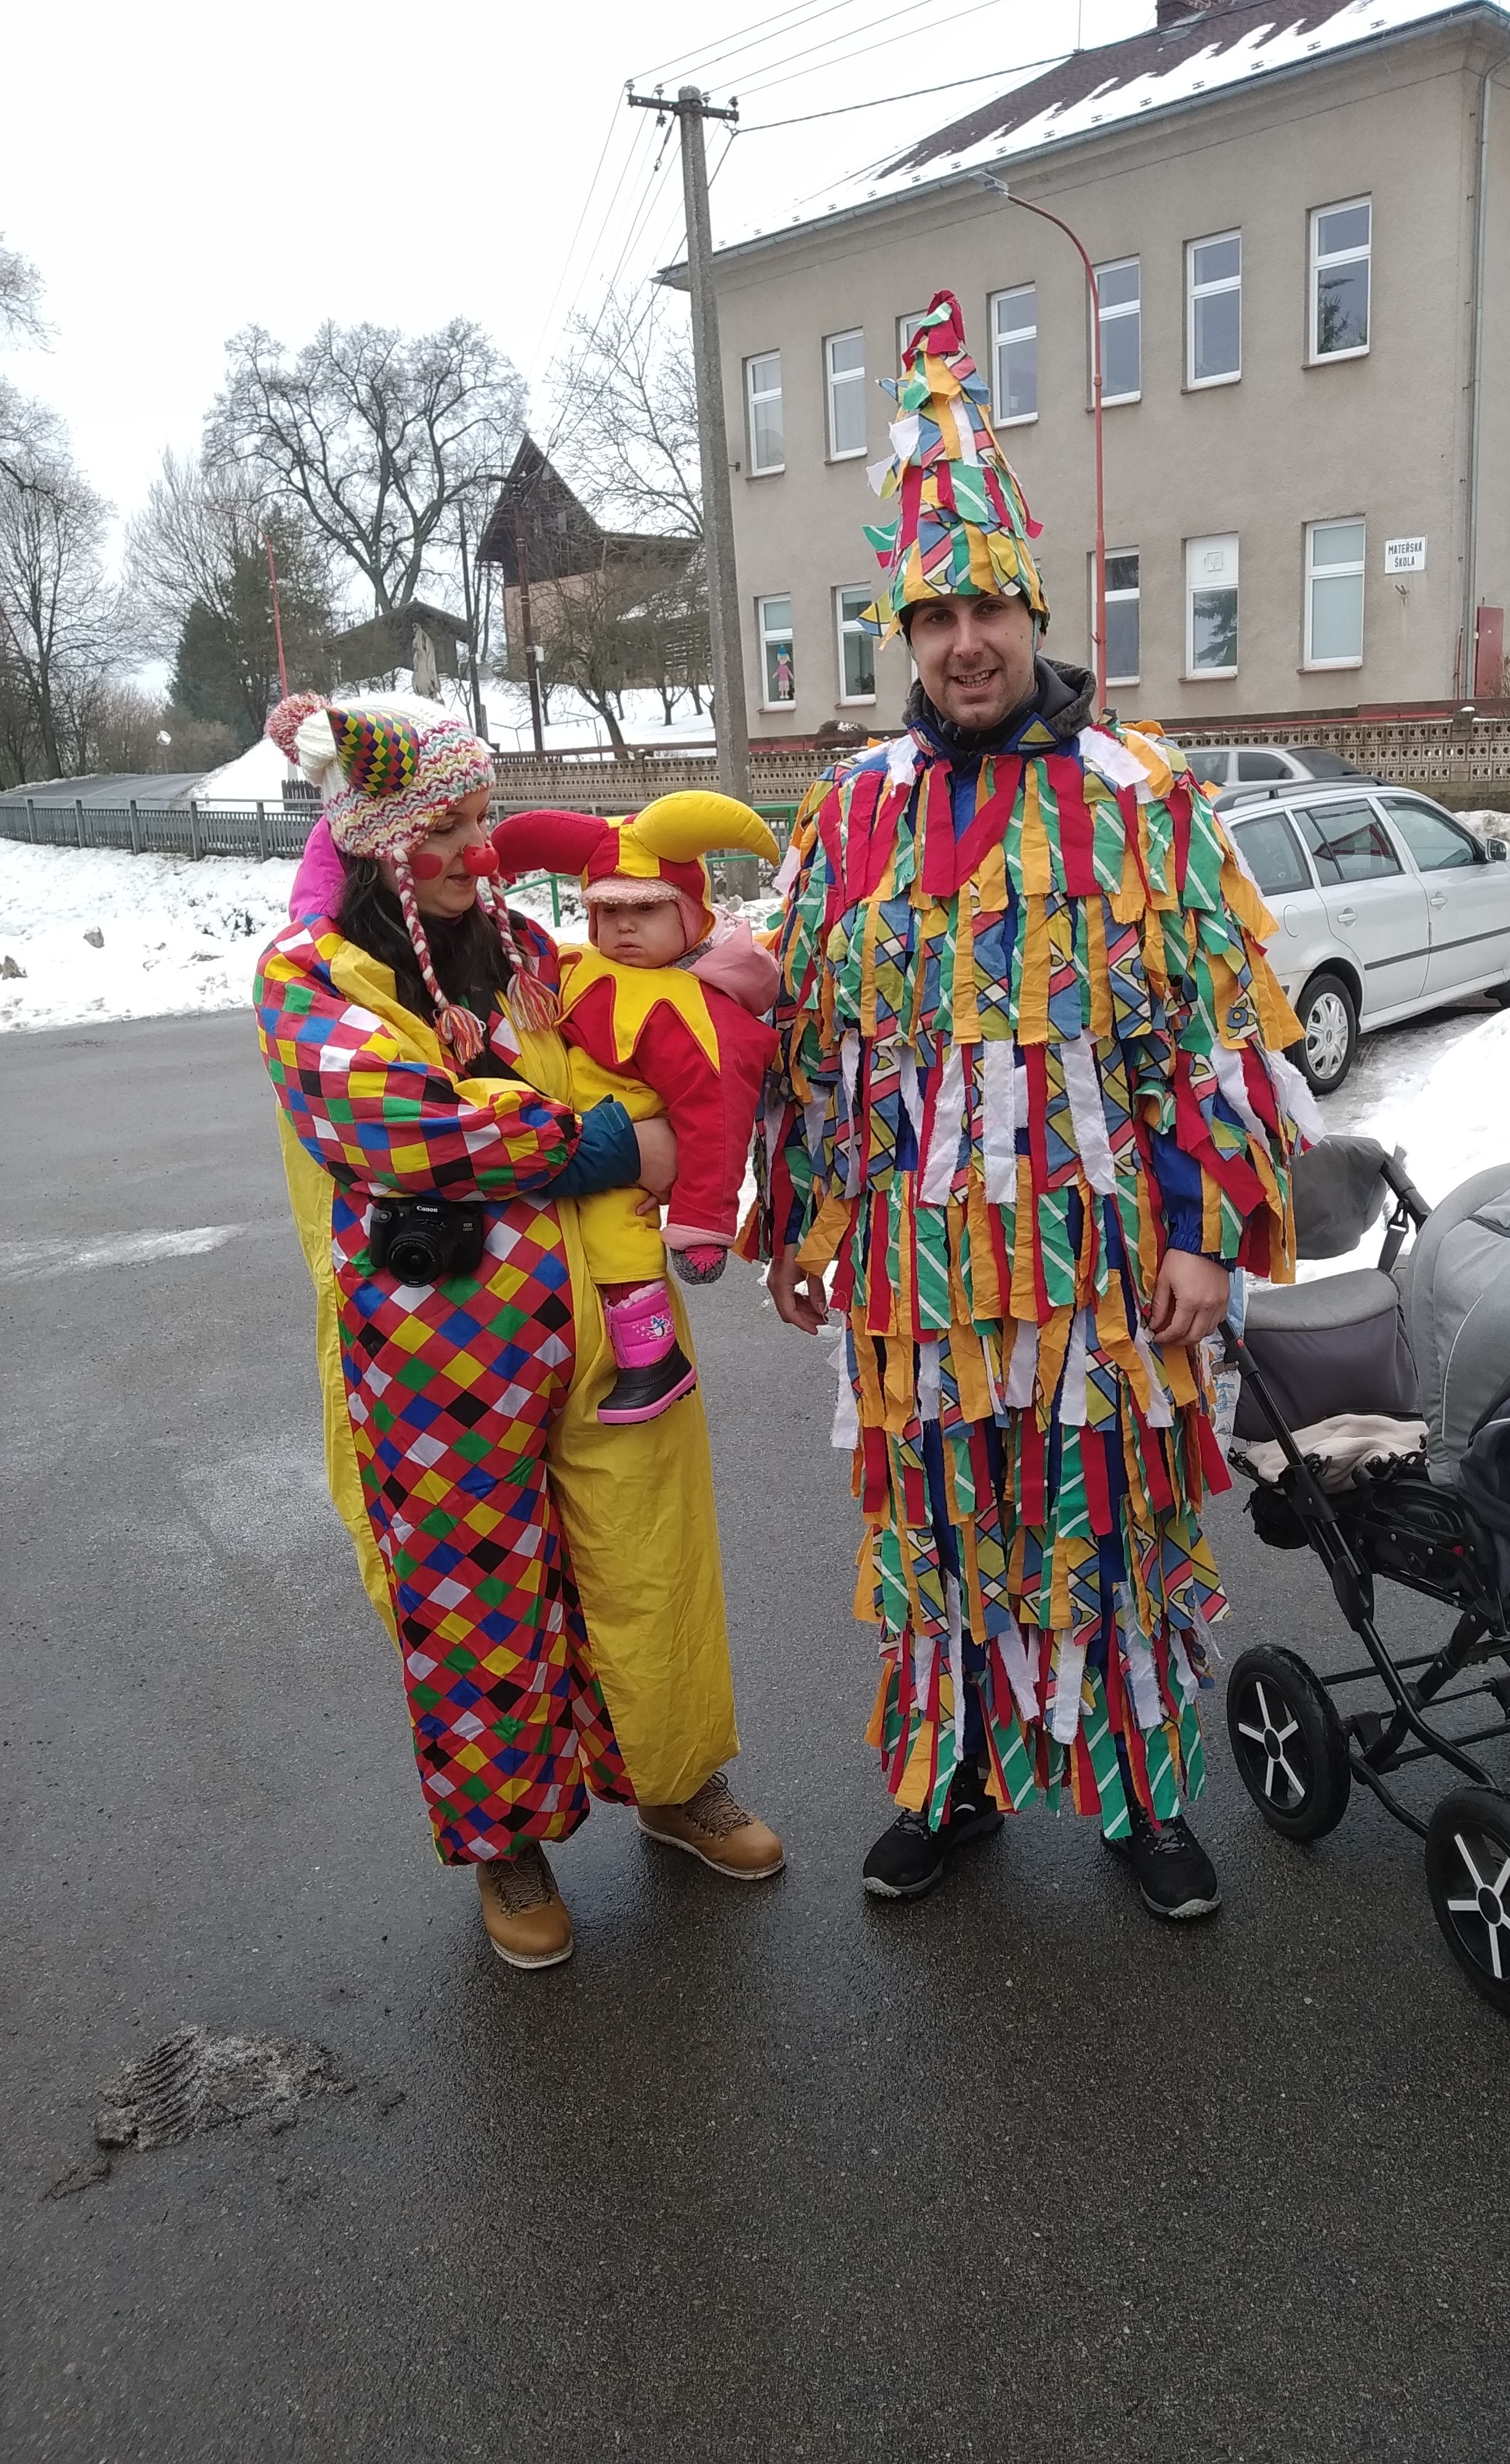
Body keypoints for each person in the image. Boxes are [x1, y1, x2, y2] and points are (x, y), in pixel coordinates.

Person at [752, 292, 1308, 1921]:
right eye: (932, 617)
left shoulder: (1141, 800)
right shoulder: (849, 814)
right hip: (915, 1288)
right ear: (905, 636)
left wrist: (1204, 1232)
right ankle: (955, 1786)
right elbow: (806, 1035)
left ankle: (1141, 1801)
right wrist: (799, 1218)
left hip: (1108, 1280)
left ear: (1032, 609)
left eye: (986, 607)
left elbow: (1215, 1035)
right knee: (941, 1541)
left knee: (1115, 1538)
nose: (963, 643)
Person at [254, 690, 783, 1972]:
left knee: (649, 1552)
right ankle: (509, 1840)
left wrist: (704, 1068)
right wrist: (608, 1146)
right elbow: (410, 1132)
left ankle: (672, 1781)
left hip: (609, 1319)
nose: (477, 850)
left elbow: (655, 1044)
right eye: (447, 827)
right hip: (438, 1351)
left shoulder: (527, 942)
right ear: (379, 839)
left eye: (486, 820)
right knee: (475, 1593)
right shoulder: (310, 976)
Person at [489, 798, 780, 1423]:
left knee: (616, 1229)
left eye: (646, 909)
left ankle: (652, 1355)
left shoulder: (695, 1009)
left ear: (690, 912)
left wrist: (701, 1221)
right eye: (607, 911)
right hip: (569, 1128)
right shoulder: (578, 965)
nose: (624, 928)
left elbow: (716, 1118)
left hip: (624, 1145)